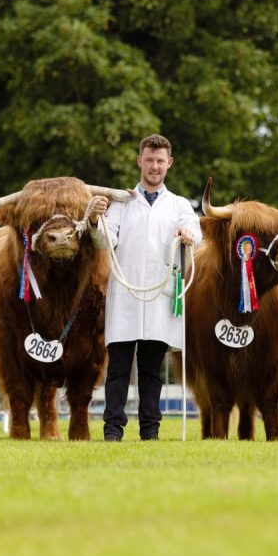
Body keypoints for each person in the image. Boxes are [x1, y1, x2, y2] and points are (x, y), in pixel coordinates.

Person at [89, 135, 201, 442]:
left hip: (159, 296)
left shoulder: (179, 205)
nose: (154, 166)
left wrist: (187, 234)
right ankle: (113, 430)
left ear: (169, 163)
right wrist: (96, 218)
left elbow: (195, 230)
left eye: (160, 161)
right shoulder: (122, 203)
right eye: (149, 160)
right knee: (118, 370)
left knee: (152, 371)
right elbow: (105, 240)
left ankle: (150, 431)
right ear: (140, 161)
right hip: (125, 294)